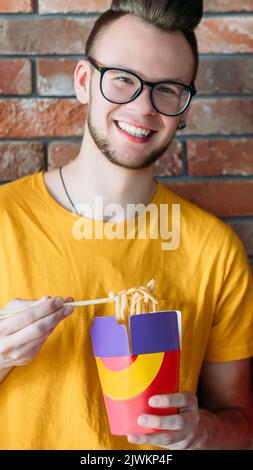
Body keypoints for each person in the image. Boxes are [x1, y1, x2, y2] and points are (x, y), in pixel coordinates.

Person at [0, 0, 252, 450]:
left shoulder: (216, 250)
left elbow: (243, 428)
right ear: (83, 82)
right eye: (123, 79)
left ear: (185, 109)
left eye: (169, 89)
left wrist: (202, 431)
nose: (143, 107)